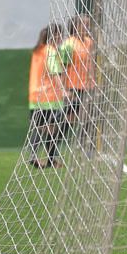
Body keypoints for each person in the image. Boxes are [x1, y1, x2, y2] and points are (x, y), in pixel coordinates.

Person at [51, 14, 96, 148]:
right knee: (67, 120)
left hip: (88, 87)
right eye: (84, 24)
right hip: (73, 88)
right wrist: (63, 90)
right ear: (75, 26)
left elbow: (91, 63)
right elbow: (62, 69)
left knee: (91, 117)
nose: (87, 27)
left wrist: (94, 82)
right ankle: (52, 147)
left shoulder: (89, 42)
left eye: (88, 24)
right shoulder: (68, 44)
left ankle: (86, 147)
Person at [27, 23, 67, 167]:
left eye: (61, 34)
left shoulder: (37, 50)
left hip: (35, 96)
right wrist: (63, 90)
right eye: (57, 35)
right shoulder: (50, 50)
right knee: (48, 128)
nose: (60, 38)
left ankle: (49, 159)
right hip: (48, 97)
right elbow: (55, 72)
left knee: (46, 128)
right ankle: (36, 156)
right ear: (51, 37)